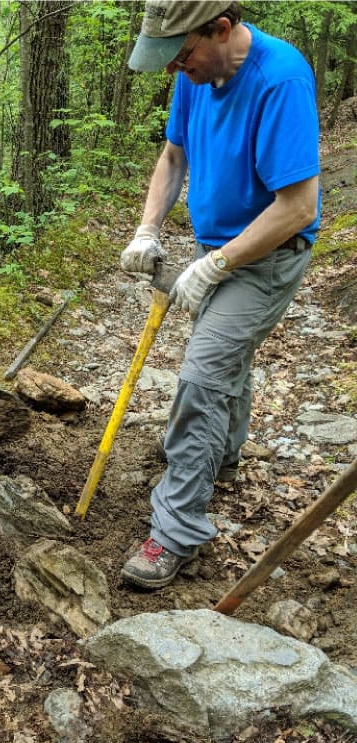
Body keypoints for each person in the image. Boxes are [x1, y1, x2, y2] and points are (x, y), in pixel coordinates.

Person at [118, 1, 320, 588]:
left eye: (182, 54)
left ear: (222, 29)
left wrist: (217, 264)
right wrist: (148, 227)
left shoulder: (279, 79)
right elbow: (173, 155)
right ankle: (221, 457)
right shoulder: (195, 73)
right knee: (227, 358)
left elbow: (298, 207)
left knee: (202, 377)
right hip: (219, 246)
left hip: (268, 254)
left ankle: (176, 530)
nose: (176, 69)